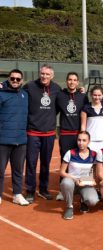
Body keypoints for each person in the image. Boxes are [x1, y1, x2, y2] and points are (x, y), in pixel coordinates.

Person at [24, 64, 61, 203]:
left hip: (49, 133)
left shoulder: (57, 88)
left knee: (46, 163)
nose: (44, 76)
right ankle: (30, 191)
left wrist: (81, 90)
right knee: (31, 163)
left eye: (47, 74)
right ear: (39, 74)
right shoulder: (29, 86)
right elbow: (16, 91)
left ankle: (44, 189)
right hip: (32, 132)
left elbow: (60, 105)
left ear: (52, 76)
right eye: (42, 73)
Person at [55, 72, 89, 201]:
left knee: (82, 161)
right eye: (70, 79)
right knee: (65, 162)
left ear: (78, 82)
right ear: (66, 81)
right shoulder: (60, 95)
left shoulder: (83, 96)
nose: (72, 82)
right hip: (65, 134)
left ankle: (82, 188)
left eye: (74, 80)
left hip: (79, 134)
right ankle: (62, 190)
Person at [0, 69, 29, 206]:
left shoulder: (25, 94)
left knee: (18, 171)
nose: (15, 81)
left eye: (18, 79)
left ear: (22, 80)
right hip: (3, 140)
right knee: (0, 170)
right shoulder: (1, 93)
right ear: (9, 79)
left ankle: (17, 194)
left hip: (21, 140)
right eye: (13, 78)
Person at [60, 131, 99, 220]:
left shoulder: (94, 155)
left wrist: (91, 181)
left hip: (85, 182)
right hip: (72, 181)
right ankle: (69, 206)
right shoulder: (70, 153)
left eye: (84, 140)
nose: (81, 143)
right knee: (66, 183)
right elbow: (62, 172)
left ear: (89, 141)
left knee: (93, 201)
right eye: (79, 140)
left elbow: (94, 173)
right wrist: (75, 179)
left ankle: (83, 201)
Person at [81, 85, 103, 152]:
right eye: (95, 95)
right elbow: (83, 125)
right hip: (90, 141)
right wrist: (83, 139)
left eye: (99, 95)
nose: (97, 97)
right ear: (91, 95)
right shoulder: (86, 108)